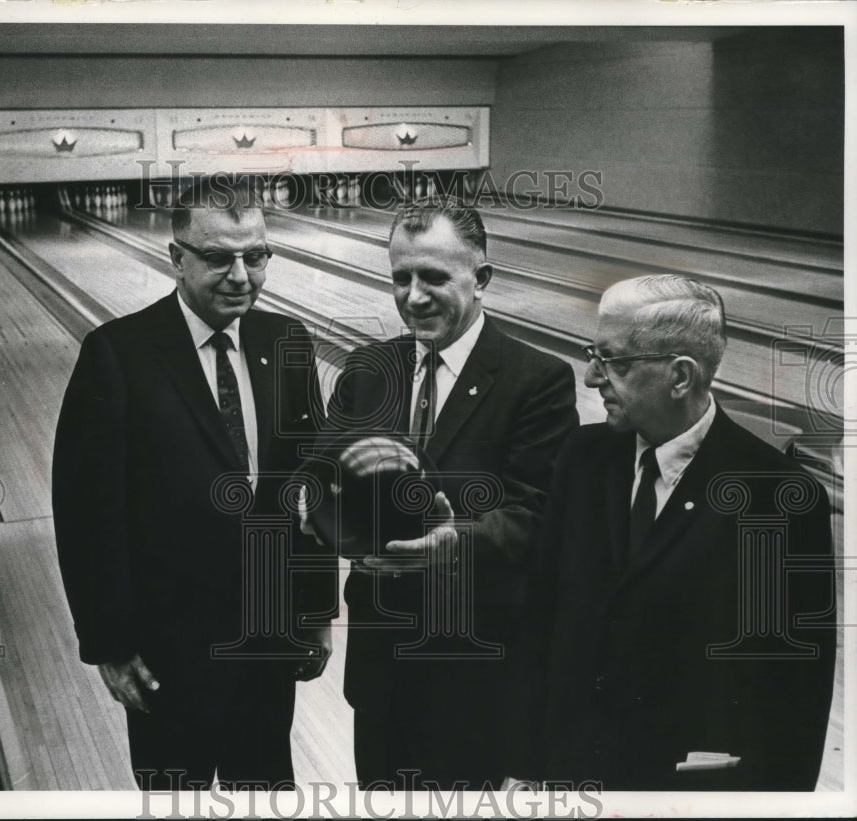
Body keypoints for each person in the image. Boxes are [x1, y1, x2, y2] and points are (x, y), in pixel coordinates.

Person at [52, 176, 334, 791]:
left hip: (266, 641)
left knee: (263, 788)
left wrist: (315, 612)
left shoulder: (287, 341)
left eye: (255, 256)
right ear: (176, 257)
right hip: (166, 651)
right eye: (218, 257)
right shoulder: (117, 354)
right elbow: (85, 513)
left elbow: (307, 494)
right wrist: (109, 643)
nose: (241, 275)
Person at [533, 274, 836, 790]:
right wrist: (528, 764)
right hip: (576, 777)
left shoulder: (777, 497)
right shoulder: (582, 456)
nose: (590, 376)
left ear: (680, 376)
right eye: (593, 353)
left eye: (614, 361)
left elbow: (795, 698)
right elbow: (542, 619)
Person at [323, 199, 579, 790]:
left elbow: (536, 514)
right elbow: (325, 481)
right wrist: (320, 512)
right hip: (381, 663)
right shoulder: (366, 370)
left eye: (434, 277)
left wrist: (454, 543)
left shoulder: (536, 379)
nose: (413, 296)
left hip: (478, 669)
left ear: (481, 278)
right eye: (401, 278)